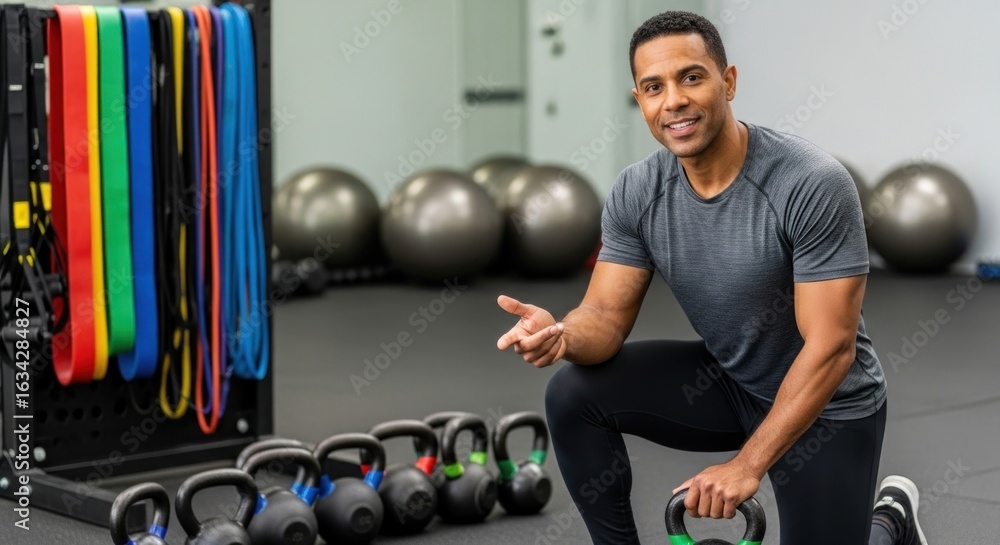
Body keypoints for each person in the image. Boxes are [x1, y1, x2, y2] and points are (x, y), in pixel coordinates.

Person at [496, 11, 927, 545]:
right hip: (733, 383)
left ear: (728, 82)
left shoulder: (810, 183)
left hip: (830, 405)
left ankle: (890, 522)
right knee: (572, 392)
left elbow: (832, 348)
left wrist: (746, 466)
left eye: (691, 77)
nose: (673, 100)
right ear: (640, 100)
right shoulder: (637, 191)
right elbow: (604, 316)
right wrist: (562, 336)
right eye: (654, 87)